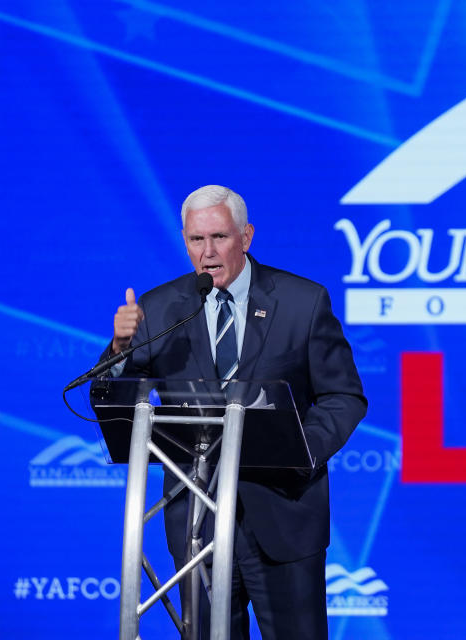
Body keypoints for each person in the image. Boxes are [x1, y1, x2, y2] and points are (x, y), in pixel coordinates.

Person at [104, 185, 366, 639]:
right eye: (195, 241)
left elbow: (344, 397)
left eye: (219, 238)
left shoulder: (303, 302)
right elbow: (116, 398)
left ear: (246, 236)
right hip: (195, 522)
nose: (207, 253)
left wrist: (301, 451)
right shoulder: (159, 308)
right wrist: (120, 349)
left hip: (283, 515)